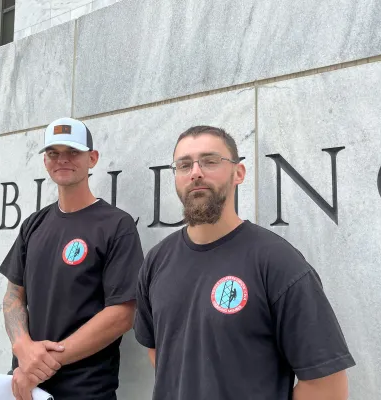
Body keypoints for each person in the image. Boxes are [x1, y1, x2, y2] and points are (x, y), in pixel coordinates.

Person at [133, 125, 356, 399]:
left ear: (238, 173)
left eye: (210, 161)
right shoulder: (157, 261)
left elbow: (327, 385)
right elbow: (159, 352)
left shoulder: (277, 261)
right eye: (184, 165)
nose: (195, 172)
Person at [0, 117, 144, 400]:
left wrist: (46, 362)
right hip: (26, 387)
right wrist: (23, 348)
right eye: (53, 153)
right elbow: (13, 295)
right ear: (45, 162)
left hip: (86, 391)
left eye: (73, 152)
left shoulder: (116, 225)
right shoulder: (33, 225)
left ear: (92, 158)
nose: (62, 159)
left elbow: (123, 314)